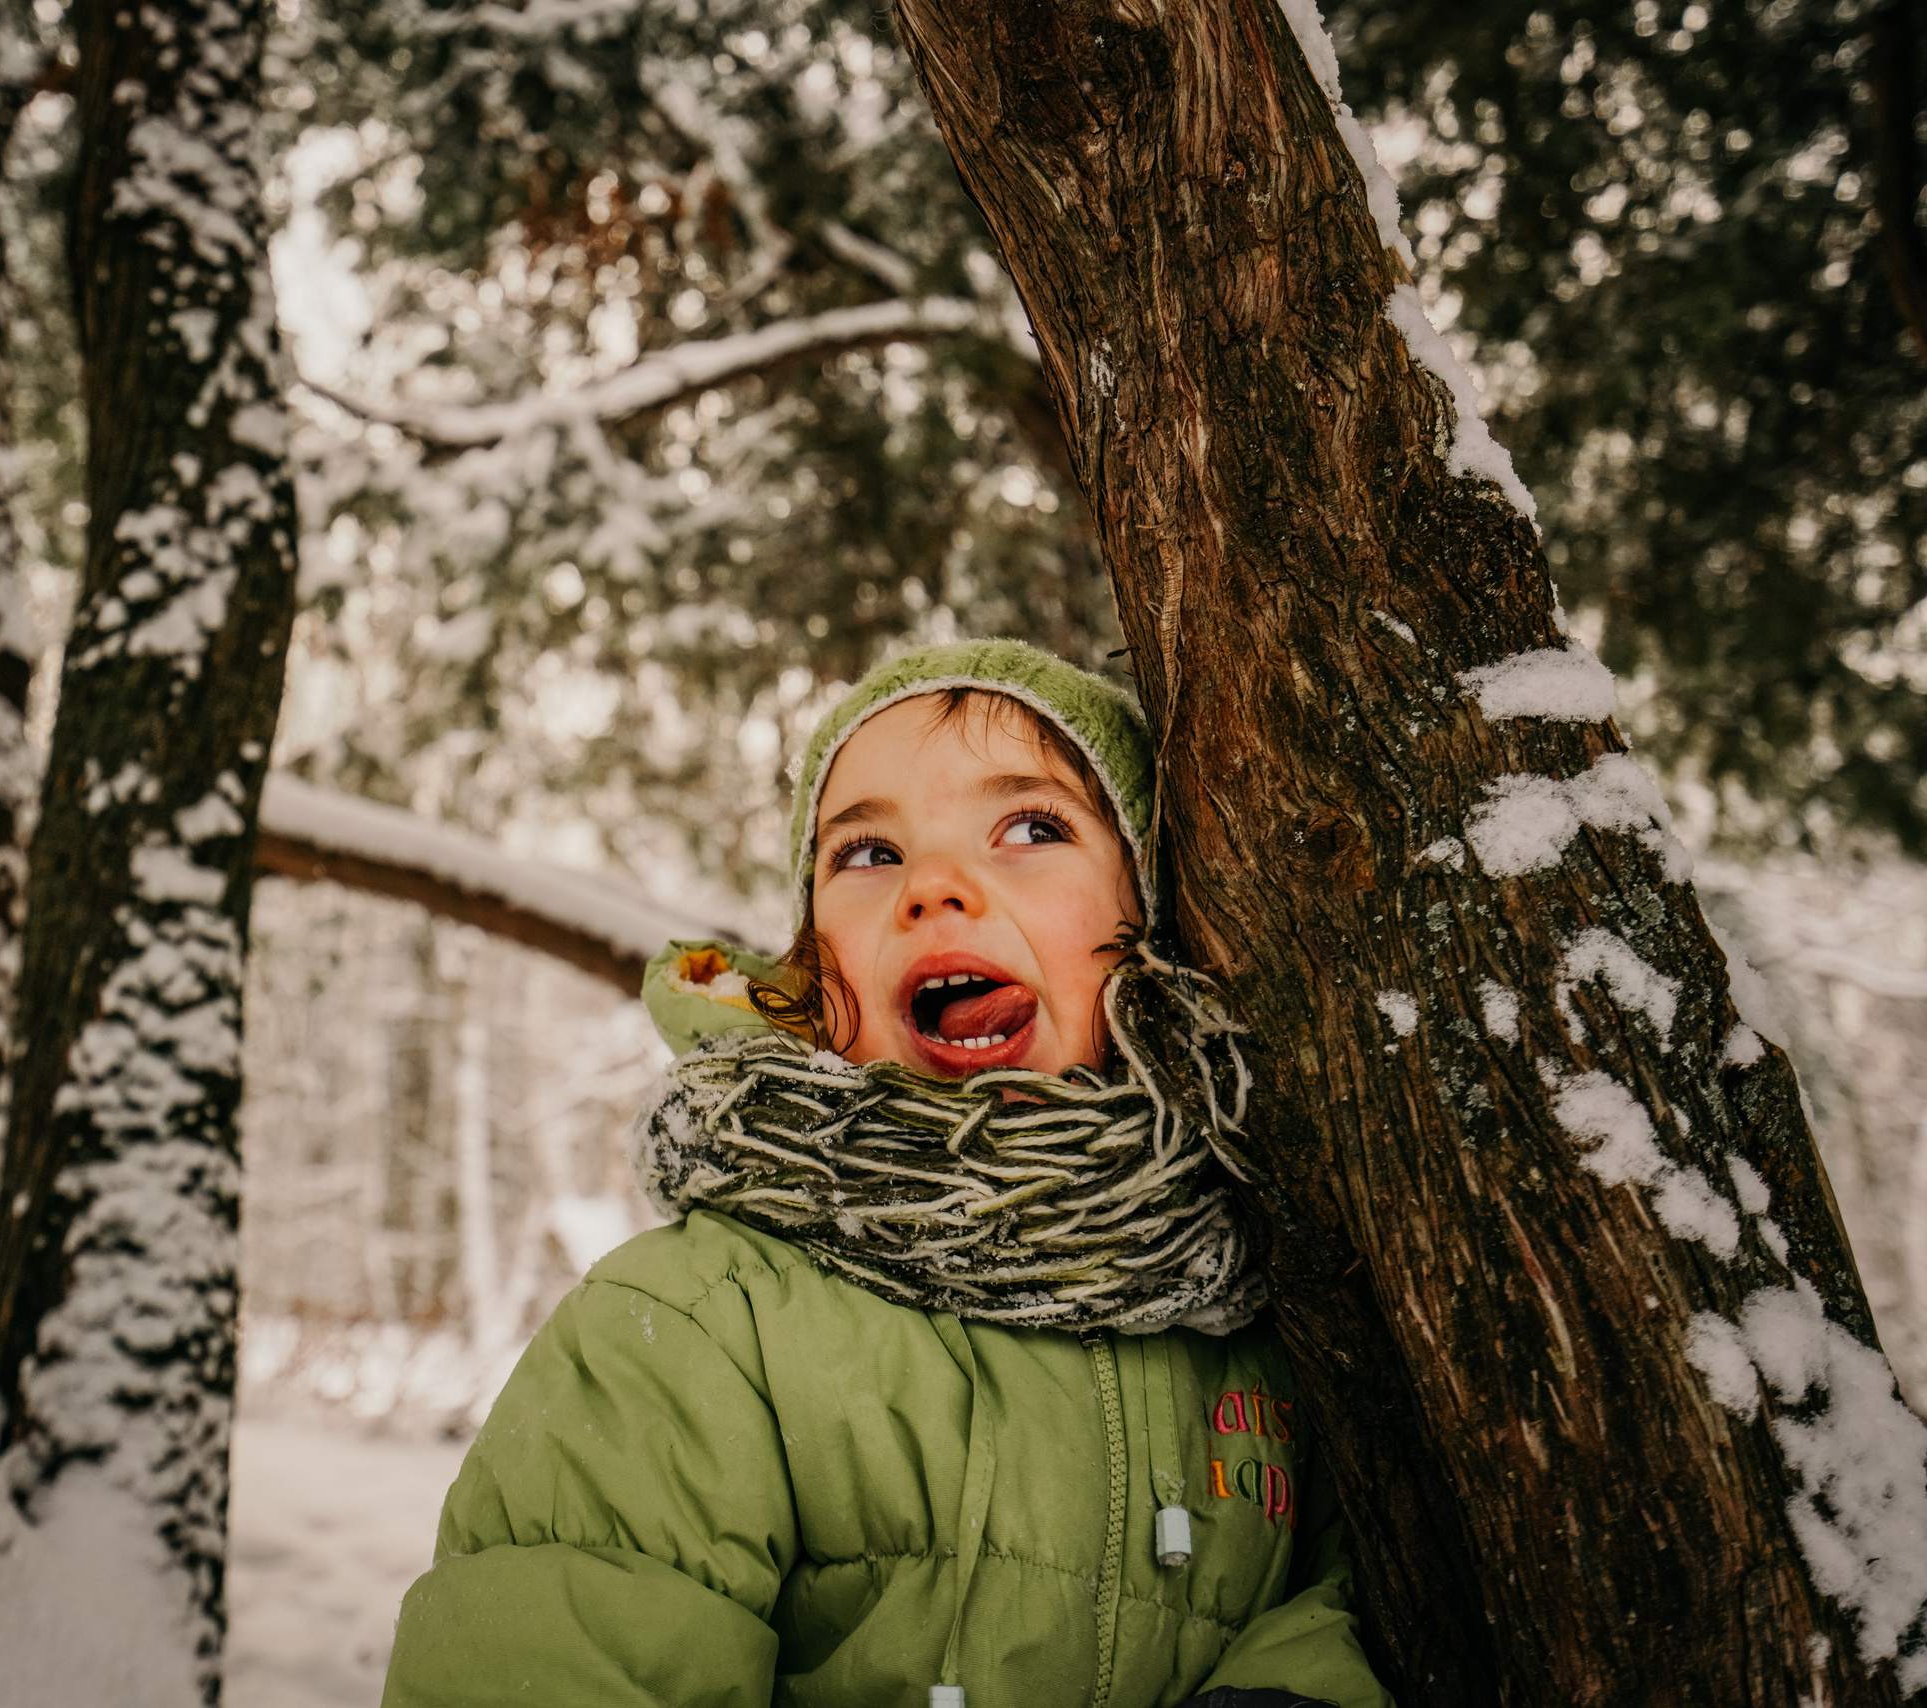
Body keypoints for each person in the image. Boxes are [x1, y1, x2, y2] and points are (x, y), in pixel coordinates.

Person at [380, 640, 1394, 1708]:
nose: (934, 888)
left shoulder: (1262, 1313)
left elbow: (1355, 1595)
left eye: (1031, 828)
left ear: (1153, 924)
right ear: (815, 974)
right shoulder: (697, 1327)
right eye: (866, 853)